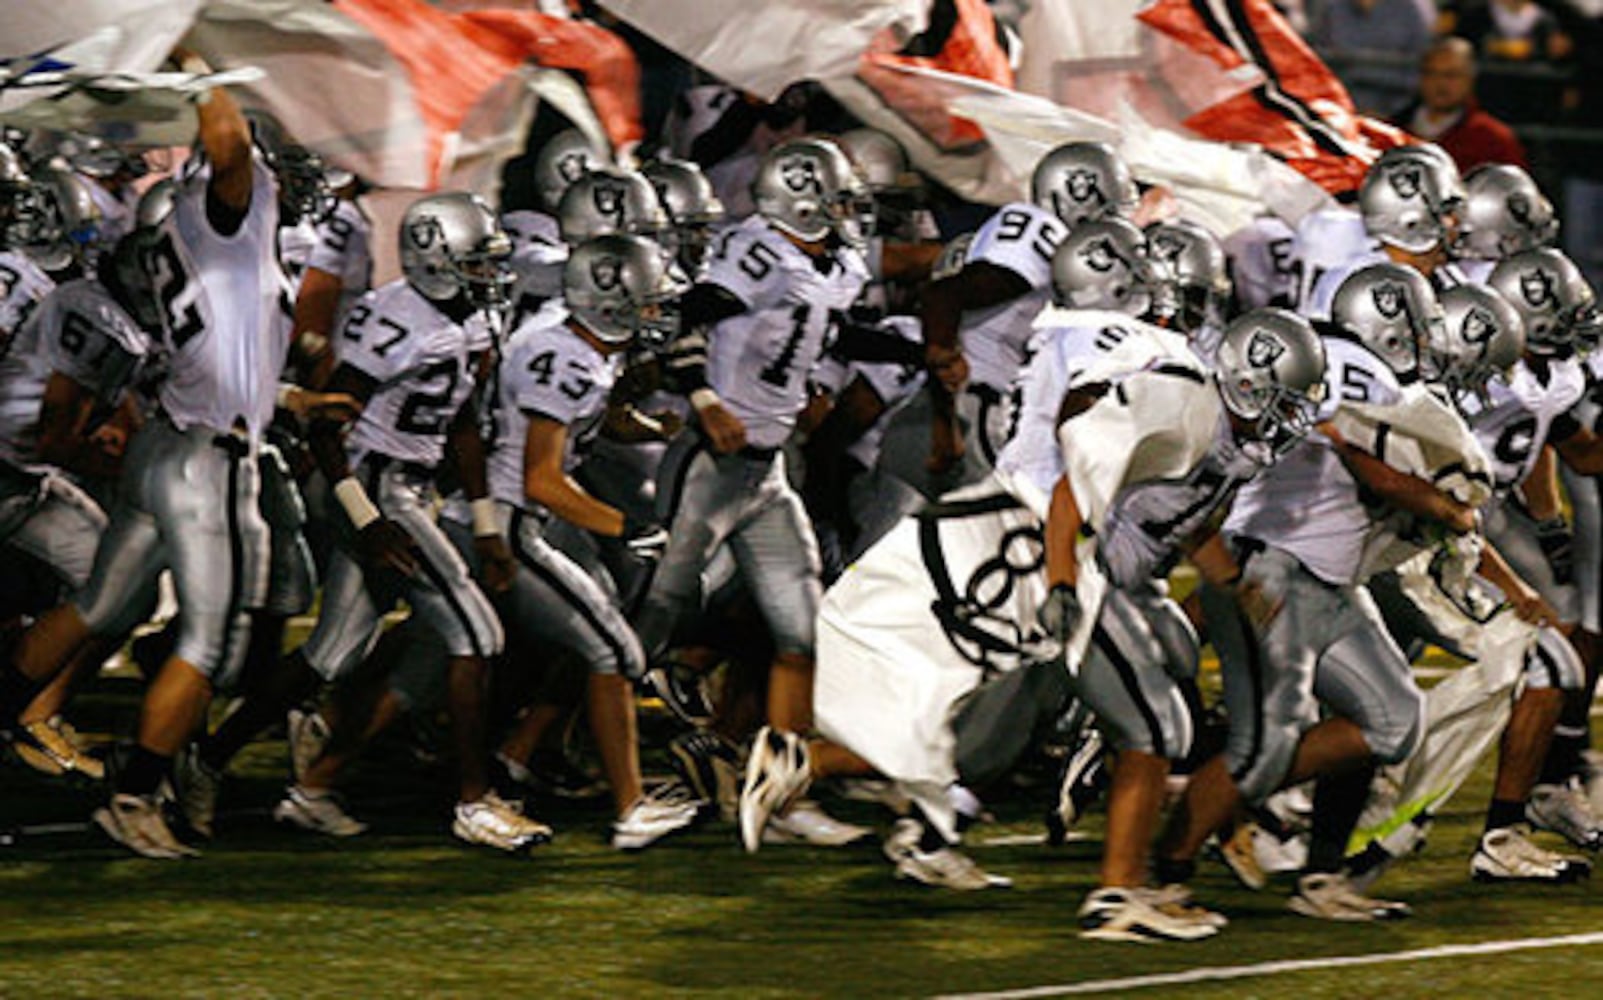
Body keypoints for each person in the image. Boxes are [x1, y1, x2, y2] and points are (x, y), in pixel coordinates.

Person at [1393, 37, 1528, 174]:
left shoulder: (1494, 140)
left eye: (1451, 75)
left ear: (1470, 79)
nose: (1440, 83)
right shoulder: (1392, 133)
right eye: (1431, 73)